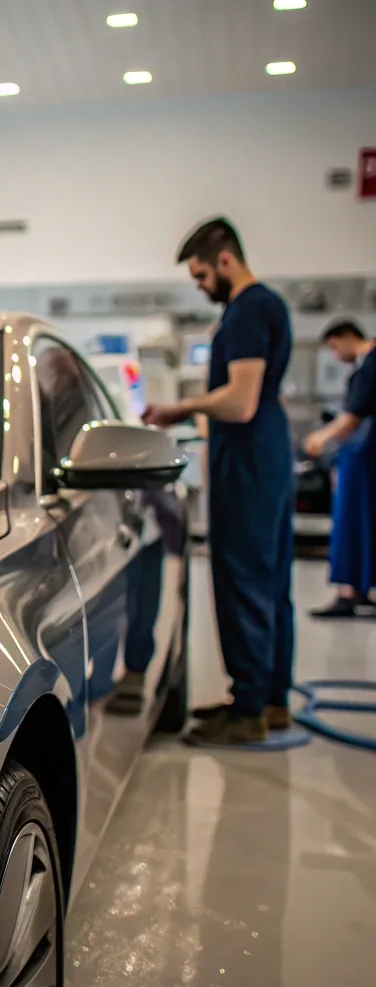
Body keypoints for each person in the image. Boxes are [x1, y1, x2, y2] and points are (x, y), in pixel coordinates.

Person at [142, 218, 294, 746]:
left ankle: (247, 710)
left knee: (244, 579)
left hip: (248, 459)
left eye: (203, 275)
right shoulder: (263, 306)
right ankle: (272, 701)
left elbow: (240, 399)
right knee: (271, 582)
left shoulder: (249, 308)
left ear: (225, 259)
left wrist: (178, 408)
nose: (202, 287)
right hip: (263, 454)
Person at [304, 320, 376, 618]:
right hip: (364, 457)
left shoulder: (370, 365)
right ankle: (362, 587)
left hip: (364, 460)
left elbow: (353, 416)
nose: (335, 356)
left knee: (352, 521)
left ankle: (348, 589)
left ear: (347, 338)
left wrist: (320, 437)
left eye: (334, 348)